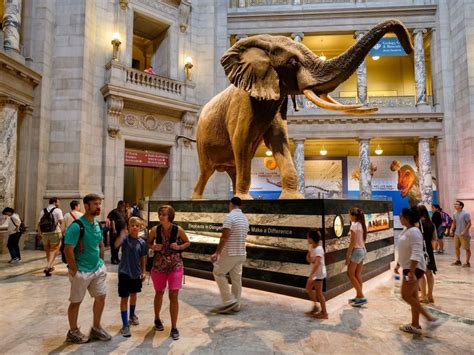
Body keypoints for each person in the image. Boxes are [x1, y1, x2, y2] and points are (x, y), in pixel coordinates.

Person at [63, 193, 111, 344]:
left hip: (97, 268)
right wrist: (75, 269)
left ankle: (96, 328)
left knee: (101, 297)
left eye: (99, 204)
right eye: (95, 204)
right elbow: (68, 249)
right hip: (82, 270)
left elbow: (101, 243)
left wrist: (101, 262)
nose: (99, 207)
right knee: (76, 302)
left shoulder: (97, 224)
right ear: (86, 206)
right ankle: (73, 331)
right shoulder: (77, 226)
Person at [147, 205, 190, 340]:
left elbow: (187, 242)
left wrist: (179, 246)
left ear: (170, 216)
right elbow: (148, 243)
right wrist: (153, 246)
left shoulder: (178, 229)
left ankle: (174, 327)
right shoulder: (154, 230)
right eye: (160, 214)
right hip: (159, 265)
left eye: (164, 214)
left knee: (174, 295)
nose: (161, 216)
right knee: (159, 293)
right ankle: (157, 318)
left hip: (175, 265)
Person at [394, 207, 438, 335]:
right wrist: (398, 264)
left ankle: (429, 317)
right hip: (408, 268)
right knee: (413, 297)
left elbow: (416, 253)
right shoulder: (407, 230)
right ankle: (415, 325)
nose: (400, 217)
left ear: (407, 218)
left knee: (405, 295)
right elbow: (404, 250)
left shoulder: (414, 232)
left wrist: (412, 272)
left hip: (414, 269)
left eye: (401, 215)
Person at [210, 196, 249, 314]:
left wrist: (217, 252)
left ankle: (228, 300)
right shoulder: (245, 219)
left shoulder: (230, 217)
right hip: (241, 253)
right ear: (240, 206)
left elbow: (224, 237)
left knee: (218, 273)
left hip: (230, 252)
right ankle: (236, 304)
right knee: (236, 279)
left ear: (231, 204)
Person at [115, 217, 147, 337]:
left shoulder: (142, 243)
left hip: (136, 273)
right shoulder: (125, 240)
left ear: (140, 228)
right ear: (128, 227)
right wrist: (121, 235)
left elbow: (142, 257)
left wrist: (143, 271)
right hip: (124, 273)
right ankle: (125, 325)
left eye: (137, 225)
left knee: (134, 295)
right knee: (124, 298)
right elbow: (116, 244)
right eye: (132, 225)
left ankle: (132, 315)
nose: (134, 227)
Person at [346, 207, 367, 307]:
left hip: (357, 251)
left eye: (350, 215)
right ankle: (358, 296)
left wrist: (348, 255)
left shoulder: (354, 226)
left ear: (354, 216)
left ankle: (361, 296)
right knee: (357, 274)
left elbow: (352, 242)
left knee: (350, 274)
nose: (349, 217)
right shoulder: (361, 224)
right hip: (363, 250)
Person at [38, 197, 64, 276]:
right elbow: (61, 222)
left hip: (45, 233)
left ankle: (50, 266)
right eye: (58, 202)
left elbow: (39, 223)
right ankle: (48, 266)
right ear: (55, 202)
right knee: (55, 249)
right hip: (55, 232)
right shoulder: (57, 210)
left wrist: (40, 233)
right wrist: (62, 233)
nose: (58, 204)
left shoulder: (43, 211)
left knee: (48, 250)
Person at [305, 229, 328, 319]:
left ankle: (324, 312)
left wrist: (311, 275)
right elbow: (310, 259)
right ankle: (315, 306)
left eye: (308, 237)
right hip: (315, 273)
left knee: (319, 293)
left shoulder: (319, 249)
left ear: (311, 239)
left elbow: (317, 263)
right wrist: (309, 257)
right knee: (308, 288)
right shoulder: (312, 248)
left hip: (318, 274)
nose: (307, 239)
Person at [418, 205, 437, 304]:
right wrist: (431, 249)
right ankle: (430, 295)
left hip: (420, 250)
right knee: (429, 273)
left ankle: (423, 296)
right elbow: (434, 239)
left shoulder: (418, 224)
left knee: (421, 274)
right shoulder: (431, 224)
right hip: (429, 250)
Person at [450, 200, 471, 267]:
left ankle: (467, 262)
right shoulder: (454, 214)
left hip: (464, 234)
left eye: (457, 204)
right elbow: (454, 223)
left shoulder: (465, 214)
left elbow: (469, 223)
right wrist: (451, 230)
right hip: (457, 233)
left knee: (466, 248)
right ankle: (458, 261)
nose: (455, 205)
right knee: (456, 248)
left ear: (461, 206)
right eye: (454, 204)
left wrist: (464, 231)